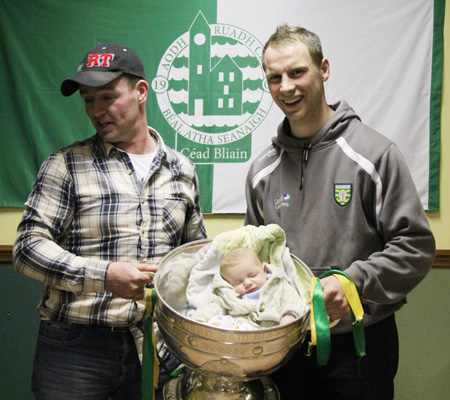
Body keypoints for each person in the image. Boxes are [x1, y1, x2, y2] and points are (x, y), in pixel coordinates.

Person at [244, 25, 435, 399]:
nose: (286, 87)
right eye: (274, 78)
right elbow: (253, 256)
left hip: (359, 347)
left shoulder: (375, 154)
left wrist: (352, 284)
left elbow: (416, 246)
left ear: (324, 69)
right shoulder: (261, 170)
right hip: (284, 347)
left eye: (297, 72)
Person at [13, 43, 206, 400]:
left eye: (108, 97)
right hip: (76, 347)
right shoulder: (65, 164)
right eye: (89, 100)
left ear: (141, 92)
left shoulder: (183, 169)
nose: (97, 111)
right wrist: (104, 275)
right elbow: (26, 249)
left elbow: (194, 256)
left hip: (157, 345)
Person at [193, 247, 306, 328]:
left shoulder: (278, 284)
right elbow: (212, 304)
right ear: (228, 283)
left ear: (264, 270)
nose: (247, 283)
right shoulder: (226, 293)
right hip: (238, 329)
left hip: (272, 330)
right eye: (238, 282)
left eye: (252, 275)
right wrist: (200, 320)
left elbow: (292, 300)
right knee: (218, 321)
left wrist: (289, 315)